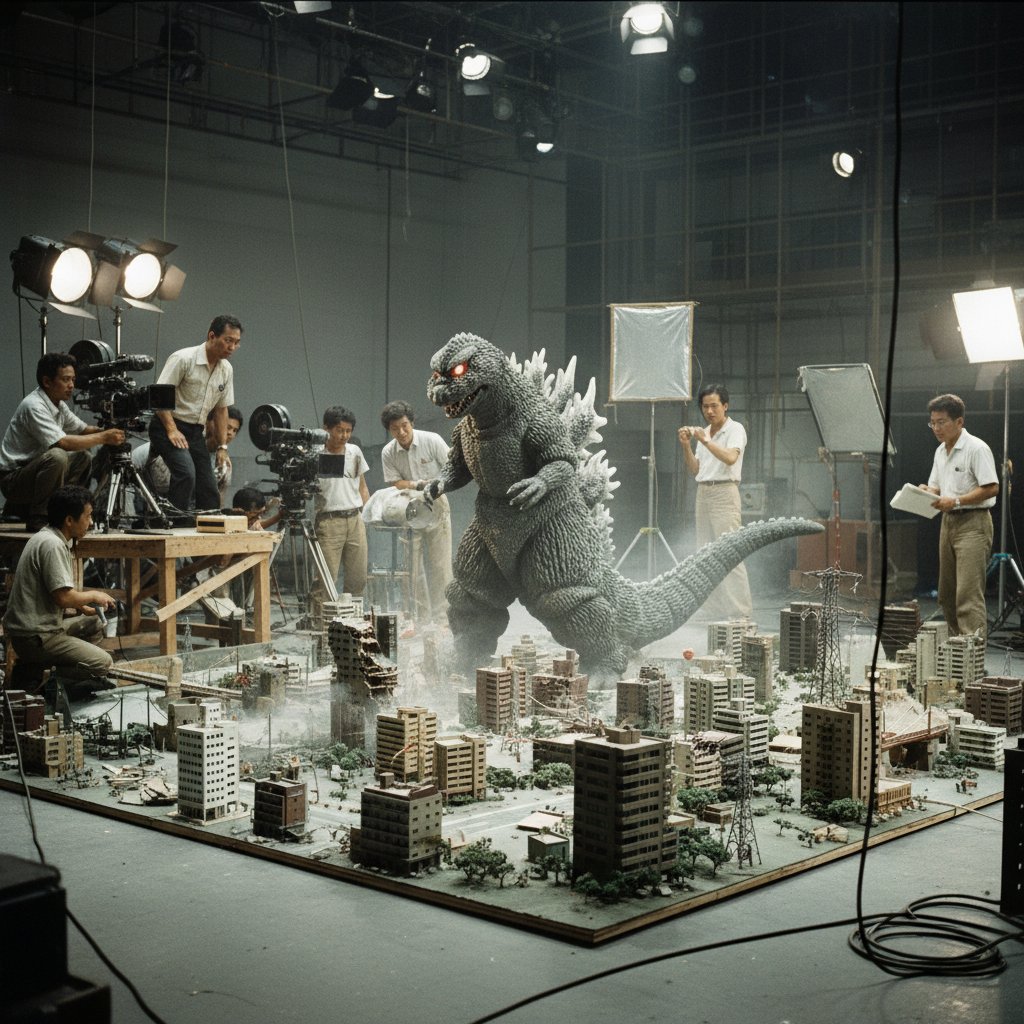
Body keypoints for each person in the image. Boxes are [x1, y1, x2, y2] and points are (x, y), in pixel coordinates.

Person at [3, 485, 116, 689]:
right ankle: (42, 676)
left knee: (95, 622)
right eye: (88, 516)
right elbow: (63, 598)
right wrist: (94, 594)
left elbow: (54, 593)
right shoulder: (52, 545)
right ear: (69, 520)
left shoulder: (48, 537)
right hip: (35, 637)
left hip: (35, 630)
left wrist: (83, 606)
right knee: (103, 664)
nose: (91, 523)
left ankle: (42, 667)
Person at [0, 353, 125, 531]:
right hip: (13, 481)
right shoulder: (34, 406)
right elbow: (63, 443)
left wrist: (112, 429)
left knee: (83, 456)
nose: (72, 385)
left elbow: (82, 429)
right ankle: (39, 517)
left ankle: (66, 511)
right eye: (66, 379)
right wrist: (105, 437)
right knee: (57, 456)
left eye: (73, 379)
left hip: (34, 472)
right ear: (47, 381)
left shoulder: (58, 404)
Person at [921, 393, 998, 638]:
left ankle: (972, 658)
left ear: (959, 422)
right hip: (949, 523)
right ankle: (958, 649)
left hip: (974, 523)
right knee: (946, 593)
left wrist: (955, 500)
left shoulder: (976, 448)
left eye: (941, 422)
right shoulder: (940, 452)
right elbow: (936, 487)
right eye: (932, 422)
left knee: (968, 594)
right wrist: (925, 492)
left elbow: (991, 487)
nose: (936, 428)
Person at [148, 315, 242, 513]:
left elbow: (222, 409)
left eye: (236, 342)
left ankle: (207, 532)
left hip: (195, 431)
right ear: (211, 336)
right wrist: (172, 430)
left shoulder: (226, 369)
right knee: (186, 475)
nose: (232, 347)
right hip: (166, 426)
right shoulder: (183, 359)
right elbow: (158, 398)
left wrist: (222, 446)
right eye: (228, 340)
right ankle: (174, 525)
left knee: (209, 488)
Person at [677, 382, 753, 620]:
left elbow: (731, 458)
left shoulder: (735, 429)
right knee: (705, 554)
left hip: (725, 492)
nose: (709, 411)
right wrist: (687, 446)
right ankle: (712, 610)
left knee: (730, 553)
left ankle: (740, 613)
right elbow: (695, 469)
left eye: (714, 406)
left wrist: (705, 440)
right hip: (704, 492)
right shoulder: (705, 432)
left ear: (725, 406)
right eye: (705, 407)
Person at [380, 400, 453, 627]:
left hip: (437, 504)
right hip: (408, 509)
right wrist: (417, 484)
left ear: (411, 422)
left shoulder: (432, 441)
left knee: (440, 565)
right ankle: (421, 619)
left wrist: (437, 484)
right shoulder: (388, 452)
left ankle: (443, 619)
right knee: (411, 569)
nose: (401, 432)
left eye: (404, 426)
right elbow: (395, 482)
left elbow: (452, 468)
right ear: (389, 430)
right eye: (395, 429)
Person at [309, 407, 370, 620]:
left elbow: (362, 486)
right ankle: (321, 628)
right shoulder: (314, 454)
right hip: (329, 522)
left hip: (355, 519)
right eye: (339, 430)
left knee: (358, 577)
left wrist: (367, 513)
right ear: (326, 429)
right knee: (325, 580)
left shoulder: (355, 452)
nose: (344, 435)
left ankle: (353, 625)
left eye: (348, 430)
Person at [133, 405, 243, 506]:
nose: (230, 433)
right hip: (148, 504)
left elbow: (218, 500)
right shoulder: (171, 446)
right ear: (210, 423)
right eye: (227, 427)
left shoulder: (224, 465)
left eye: (235, 430)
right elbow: (134, 461)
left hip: (186, 513)